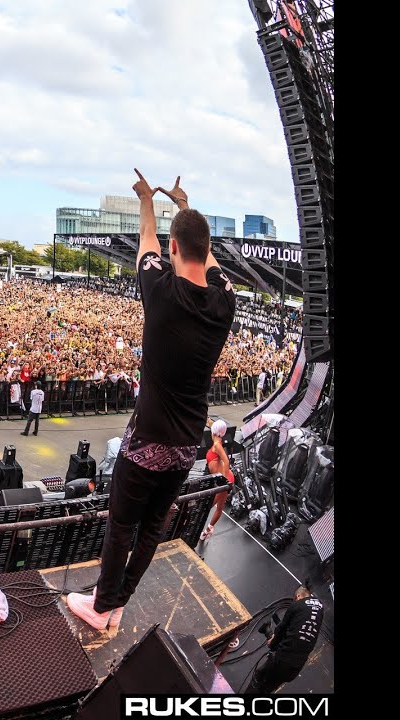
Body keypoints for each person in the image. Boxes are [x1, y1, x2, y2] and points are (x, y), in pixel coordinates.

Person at [65, 170, 236, 632]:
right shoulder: (225, 301)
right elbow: (206, 261)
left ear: (175, 248)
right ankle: (117, 603)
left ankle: (101, 608)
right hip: (186, 442)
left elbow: (147, 241)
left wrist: (147, 201)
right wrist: (184, 207)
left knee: (122, 524)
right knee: (153, 526)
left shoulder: (162, 293)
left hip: (147, 438)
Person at [244, 586, 324, 694]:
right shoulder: (320, 607)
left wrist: (272, 642)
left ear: (297, 596)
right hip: (295, 669)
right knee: (269, 687)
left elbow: (281, 629)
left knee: (259, 676)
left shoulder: (296, 605)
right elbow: (301, 631)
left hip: (281, 662)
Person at [199, 419, 234, 541]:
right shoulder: (217, 439)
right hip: (226, 477)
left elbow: (227, 461)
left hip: (225, 479)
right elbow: (212, 424)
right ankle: (208, 530)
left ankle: (205, 529)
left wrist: (224, 481)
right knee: (219, 508)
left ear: (213, 432)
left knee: (210, 506)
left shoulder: (217, 445)